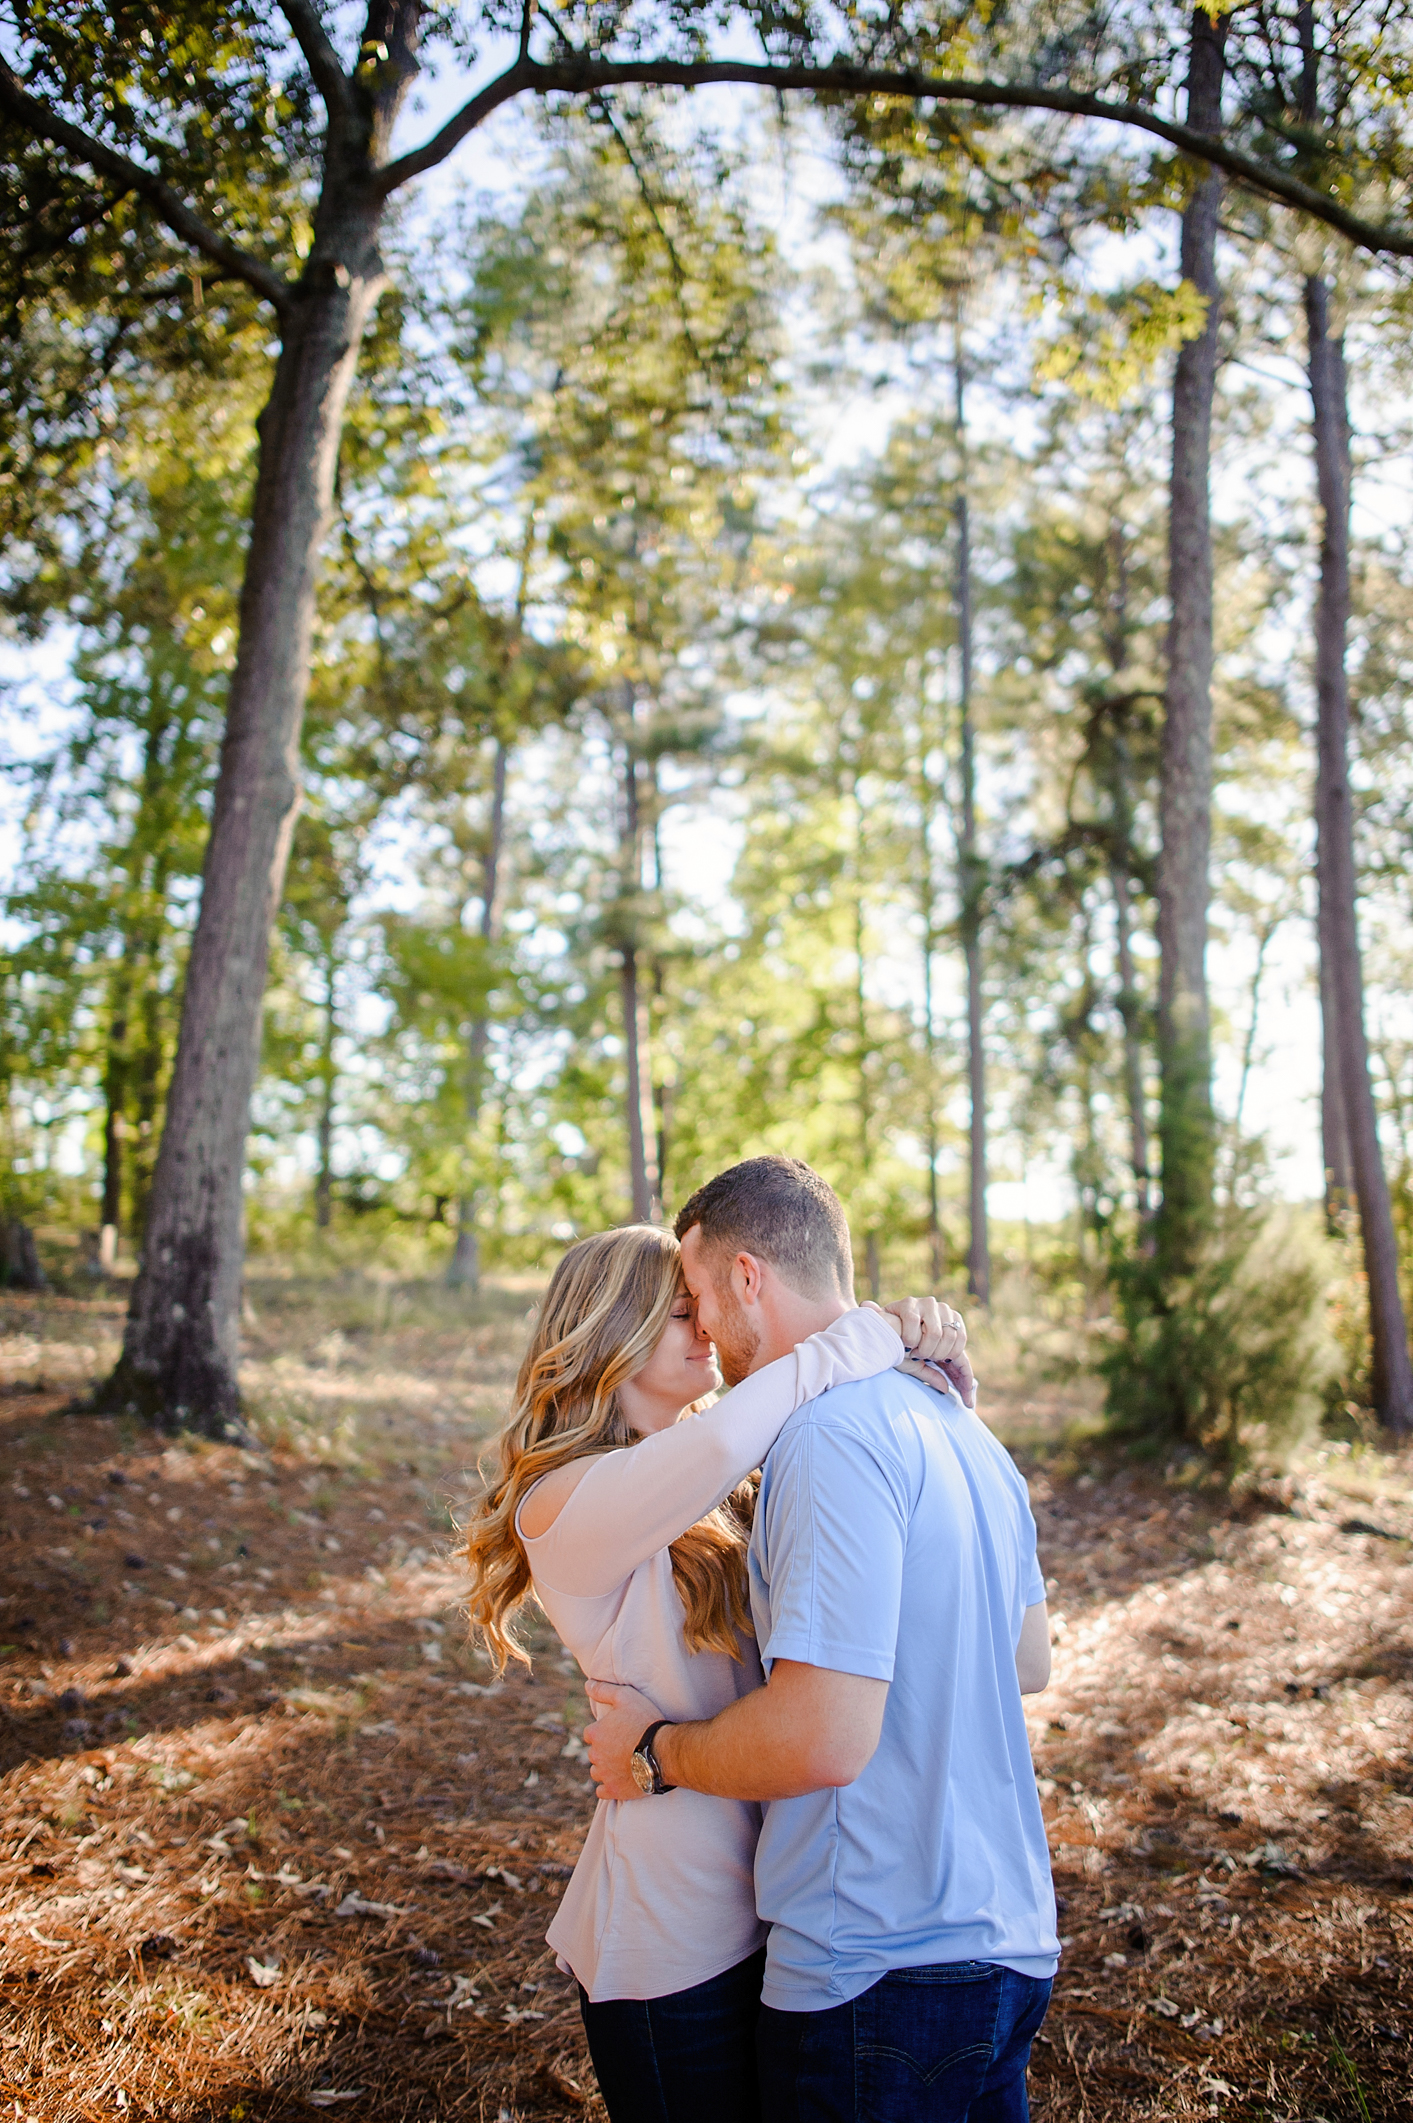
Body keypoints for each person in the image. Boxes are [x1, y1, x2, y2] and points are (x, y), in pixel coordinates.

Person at [586, 1157, 1058, 2123]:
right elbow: (1026, 1661)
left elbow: (822, 1739)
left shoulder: (828, 1437)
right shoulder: (967, 1429)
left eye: (697, 1296)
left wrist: (653, 1750)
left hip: (873, 1964)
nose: (702, 1331)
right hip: (1010, 1943)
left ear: (747, 1276)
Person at [462, 1221, 967, 2123]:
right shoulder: (561, 1503)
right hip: (673, 1928)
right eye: (678, 1311)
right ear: (606, 1332)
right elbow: (713, 1443)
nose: (705, 1329)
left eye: (701, 1306)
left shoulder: (730, 1483)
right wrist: (855, 1335)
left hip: (788, 1902)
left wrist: (930, 1379)